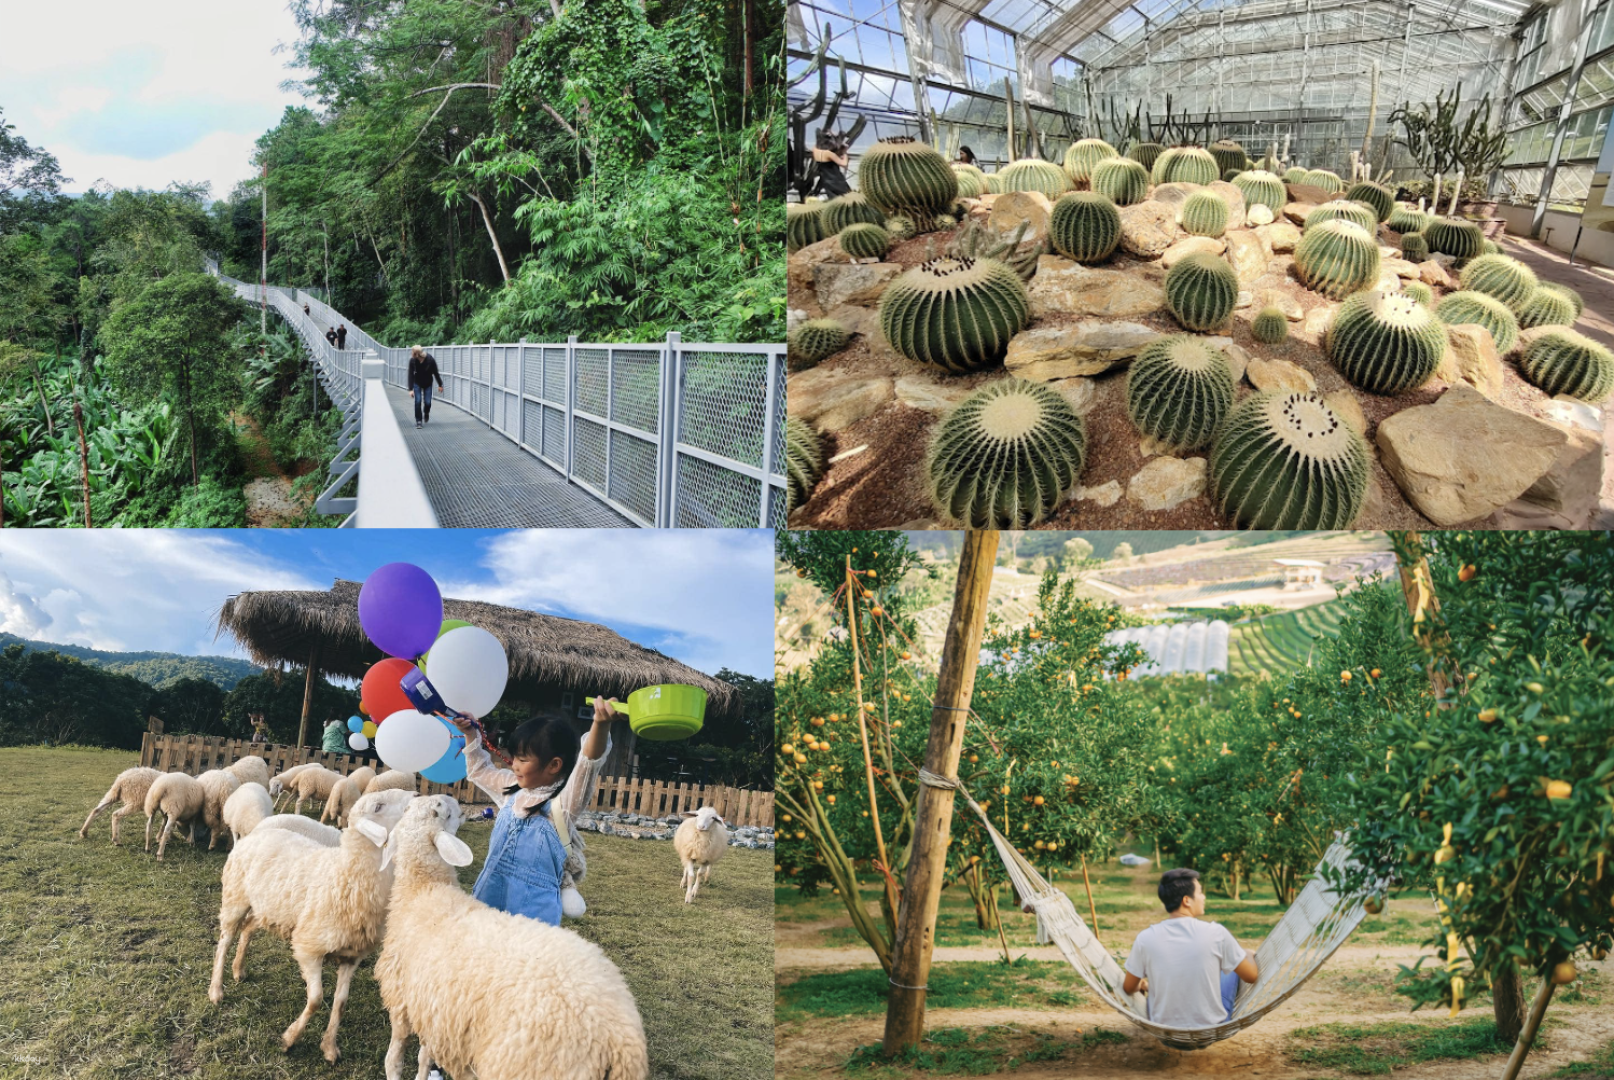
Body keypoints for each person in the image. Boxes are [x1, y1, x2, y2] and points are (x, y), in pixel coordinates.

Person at [445, 696, 618, 924]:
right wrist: (470, 734)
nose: (514, 764)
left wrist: (600, 724)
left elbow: (588, 763)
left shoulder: (562, 805)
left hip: (533, 915)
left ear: (554, 765)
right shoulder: (512, 791)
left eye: (523, 759)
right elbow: (480, 769)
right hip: (488, 899)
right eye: (515, 756)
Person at [1122, 868, 1259, 1027]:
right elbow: (1251, 976)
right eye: (1200, 892)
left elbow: (1129, 987)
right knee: (1230, 962)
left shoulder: (1145, 938)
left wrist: (1143, 985)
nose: (1204, 897)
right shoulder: (1216, 933)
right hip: (1211, 1026)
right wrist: (1247, 954)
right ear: (1187, 900)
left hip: (1163, 1027)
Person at [406, 345, 444, 428]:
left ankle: (426, 413)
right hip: (417, 383)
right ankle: (418, 421)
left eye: (413, 352)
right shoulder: (412, 361)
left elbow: (435, 372)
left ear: (417, 353)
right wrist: (410, 389)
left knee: (428, 402)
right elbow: (410, 375)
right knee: (418, 401)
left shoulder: (430, 360)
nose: (411, 353)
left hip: (428, 383)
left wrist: (440, 384)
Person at [811, 130, 851, 197]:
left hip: (826, 180)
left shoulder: (815, 149)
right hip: (837, 180)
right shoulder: (828, 154)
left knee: (834, 200)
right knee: (848, 199)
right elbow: (844, 164)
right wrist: (844, 152)